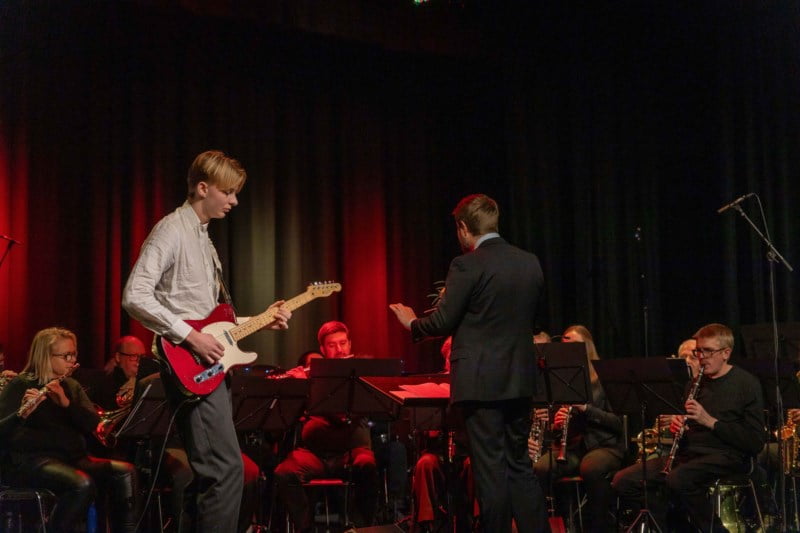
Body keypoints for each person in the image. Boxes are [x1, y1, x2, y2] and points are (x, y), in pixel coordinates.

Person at [122, 150, 292, 532]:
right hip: (188, 364)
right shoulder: (172, 230)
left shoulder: (203, 238)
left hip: (206, 364)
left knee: (207, 476)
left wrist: (262, 321)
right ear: (203, 188)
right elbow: (135, 295)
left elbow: (210, 321)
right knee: (226, 470)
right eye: (228, 192)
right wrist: (191, 337)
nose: (234, 201)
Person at [389, 193, 548, 533]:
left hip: (480, 383)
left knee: (490, 470)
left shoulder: (467, 264)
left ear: (463, 228)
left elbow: (443, 322)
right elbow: (531, 320)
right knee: (518, 465)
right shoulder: (529, 262)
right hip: (520, 380)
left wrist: (412, 323)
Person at [612, 323, 766, 533]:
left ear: (726, 353)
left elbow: (755, 442)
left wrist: (710, 421)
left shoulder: (747, 384)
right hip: (691, 455)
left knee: (678, 479)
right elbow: (690, 430)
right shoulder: (694, 384)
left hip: (729, 455)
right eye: (698, 351)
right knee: (624, 480)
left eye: (708, 351)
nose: (702, 357)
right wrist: (681, 428)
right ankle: (669, 527)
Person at [0, 327, 138, 533]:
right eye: (66, 355)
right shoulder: (21, 384)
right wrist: (22, 413)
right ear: (46, 356)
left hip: (73, 458)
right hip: (32, 461)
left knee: (125, 472)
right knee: (81, 483)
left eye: (74, 354)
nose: (72, 360)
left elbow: (95, 426)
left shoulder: (71, 386)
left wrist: (66, 404)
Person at [273, 321, 378, 531]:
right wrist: (297, 385)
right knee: (284, 472)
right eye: (332, 345)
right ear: (322, 349)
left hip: (352, 450)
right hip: (315, 454)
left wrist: (310, 387)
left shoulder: (362, 372)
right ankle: (305, 528)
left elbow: (340, 416)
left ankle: (362, 528)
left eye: (342, 343)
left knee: (367, 465)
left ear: (350, 344)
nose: (339, 350)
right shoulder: (312, 374)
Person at [529, 325, 625, 533]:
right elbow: (554, 429)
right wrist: (556, 425)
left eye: (571, 343)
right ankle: (559, 524)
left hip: (604, 446)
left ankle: (599, 527)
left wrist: (586, 409)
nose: (565, 349)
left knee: (591, 468)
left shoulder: (604, 379)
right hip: (572, 448)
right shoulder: (560, 380)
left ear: (586, 347)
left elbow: (617, 424)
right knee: (542, 468)